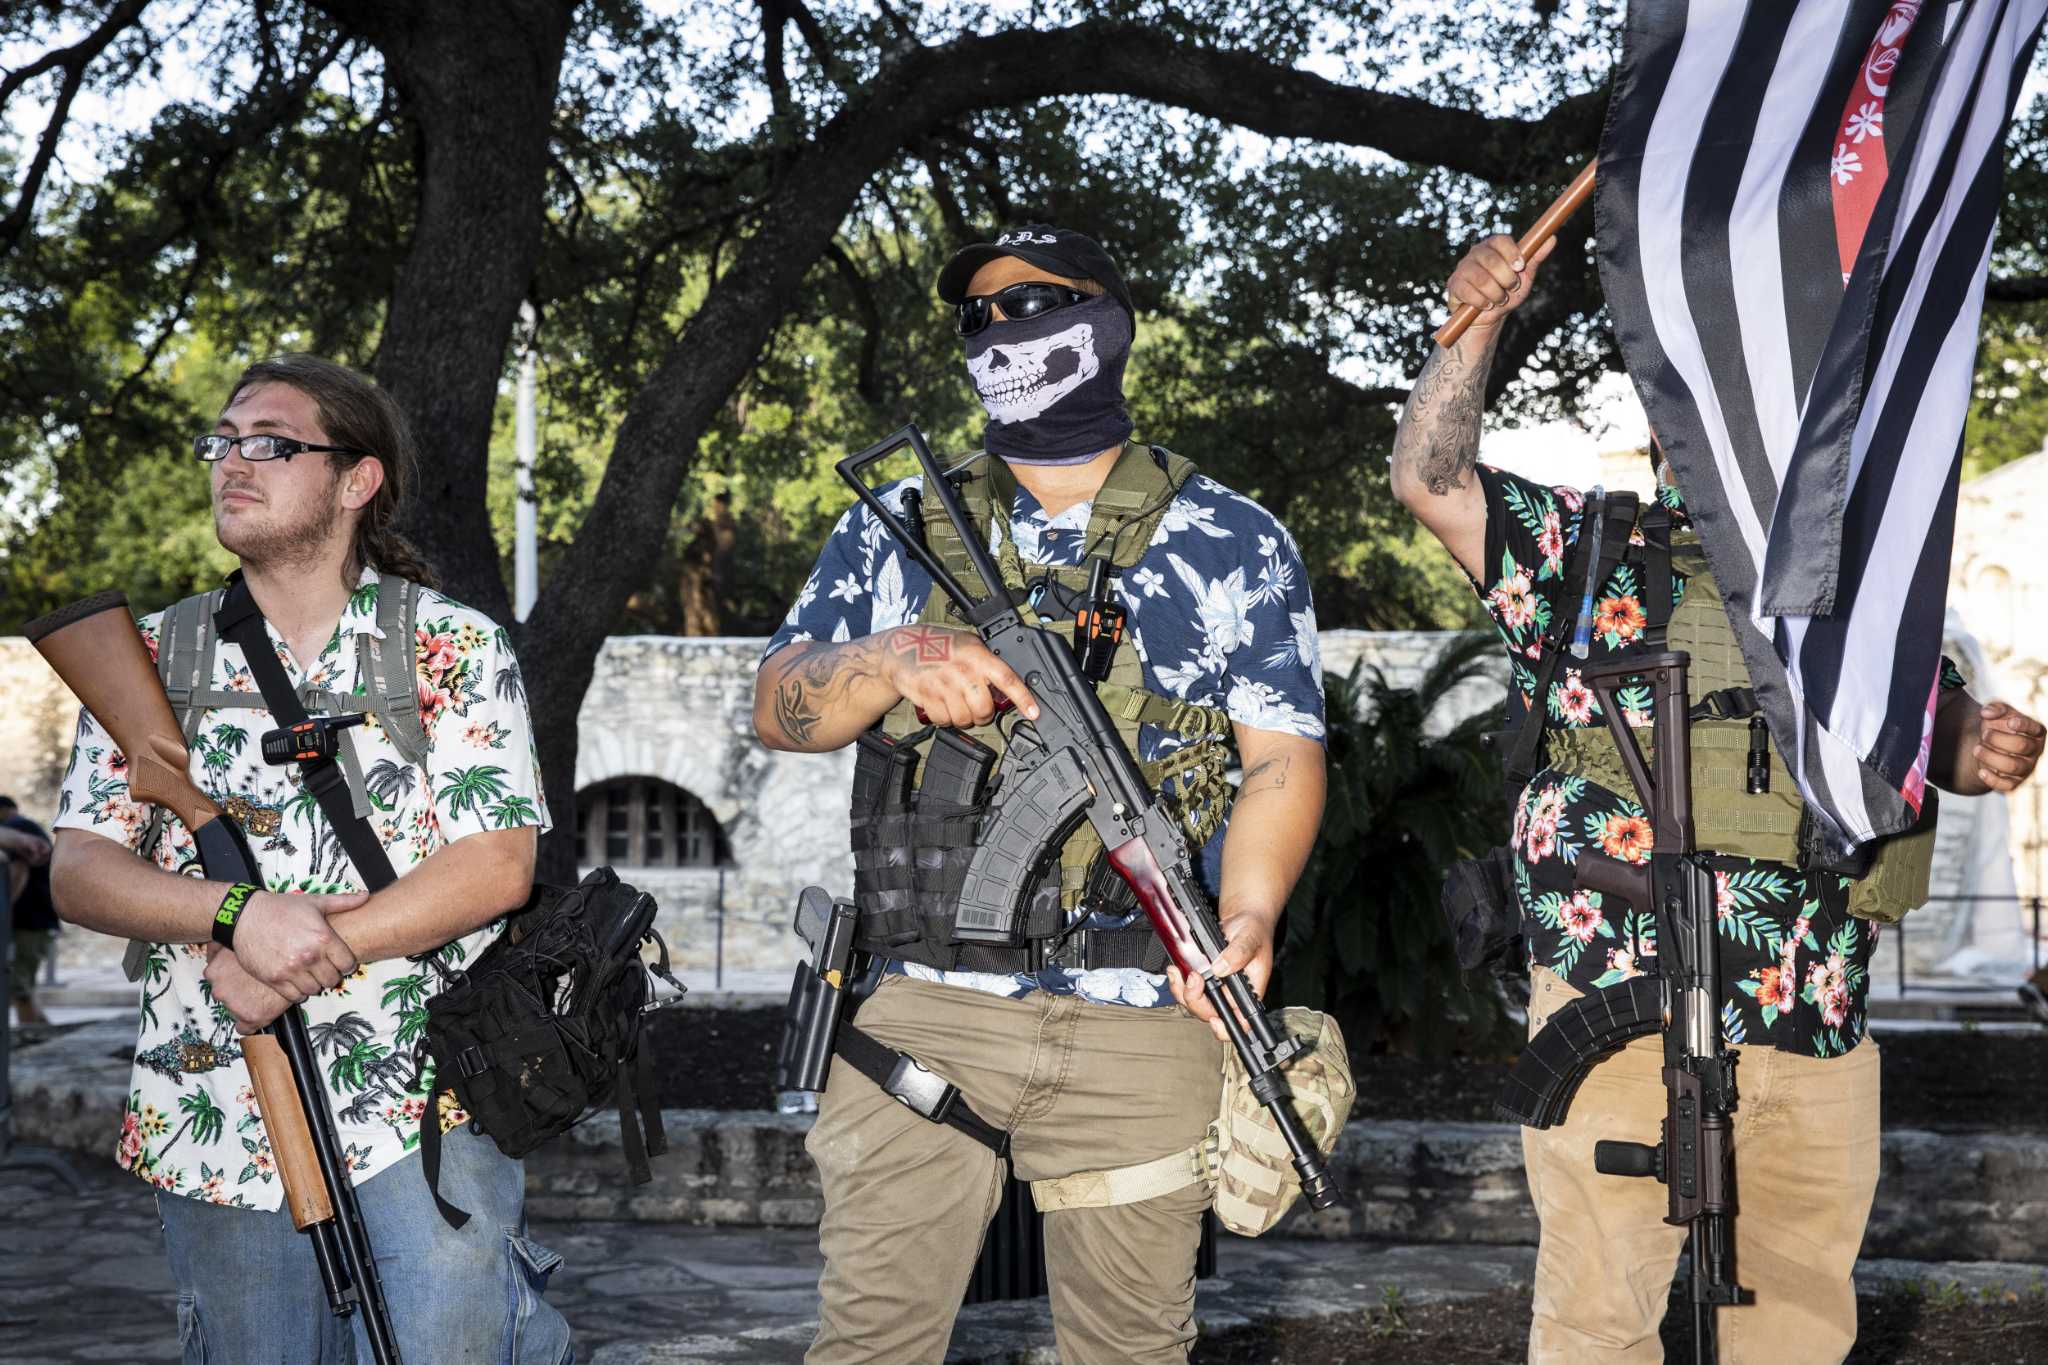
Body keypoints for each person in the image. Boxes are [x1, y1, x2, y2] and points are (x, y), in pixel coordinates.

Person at [1391, 235, 2047, 1364]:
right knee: (1598, 1321)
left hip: (1811, 1003)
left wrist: (1978, 743)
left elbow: (1926, 738)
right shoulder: (1583, 553)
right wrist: (1477, 325)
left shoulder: (1862, 592)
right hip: (1615, 993)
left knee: (1793, 1326)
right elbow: (1429, 479)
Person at [754, 224, 1329, 1364]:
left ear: (1107, 322)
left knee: (1129, 1350)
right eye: (979, 315)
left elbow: (1279, 759)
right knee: (871, 1345)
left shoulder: (1230, 537)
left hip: (1144, 1014)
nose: (1004, 331)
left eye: (1036, 304)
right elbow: (777, 706)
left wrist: (1250, 915)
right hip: (923, 1009)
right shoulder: (900, 521)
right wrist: (889, 660)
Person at [48, 355, 571, 1364]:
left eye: (270, 444)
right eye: (224, 442)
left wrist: (292, 947)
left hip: (430, 1097)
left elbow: (494, 866)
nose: (231, 464)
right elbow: (79, 868)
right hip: (215, 1099)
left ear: (357, 479)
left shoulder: (451, 646)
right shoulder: (147, 655)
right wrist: (241, 915)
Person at [1, 796, 56, 1026]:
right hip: (38, 922)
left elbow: (18, 871)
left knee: (19, 990)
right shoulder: (27, 826)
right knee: (25, 988)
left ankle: (30, 1036)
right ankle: (44, 1035)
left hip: (27, 923)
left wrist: (5, 910)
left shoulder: (16, 828)